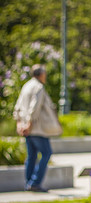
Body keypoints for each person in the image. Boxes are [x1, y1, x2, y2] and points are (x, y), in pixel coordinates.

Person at [13, 64, 54, 192]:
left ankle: (29, 183)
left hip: (26, 128)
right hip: (36, 128)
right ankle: (35, 182)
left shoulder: (26, 86)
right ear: (41, 75)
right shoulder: (38, 87)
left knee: (31, 156)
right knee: (47, 153)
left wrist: (20, 124)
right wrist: (29, 124)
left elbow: (18, 106)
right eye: (45, 73)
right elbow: (34, 108)